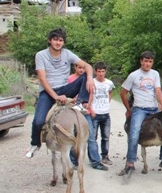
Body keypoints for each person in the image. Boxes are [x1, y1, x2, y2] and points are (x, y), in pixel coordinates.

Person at [26, 28, 95, 158]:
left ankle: (80, 103)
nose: (58, 42)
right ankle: (35, 144)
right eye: (55, 39)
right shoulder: (41, 55)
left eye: (61, 40)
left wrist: (90, 79)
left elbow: (88, 66)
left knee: (86, 74)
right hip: (47, 92)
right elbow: (42, 78)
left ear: (63, 42)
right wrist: (56, 96)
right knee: (38, 121)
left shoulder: (67, 54)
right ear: (49, 40)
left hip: (64, 88)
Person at [119, 51, 162, 176]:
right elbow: (123, 93)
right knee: (134, 133)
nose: (148, 63)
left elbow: (158, 90)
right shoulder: (134, 75)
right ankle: (130, 163)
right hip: (139, 108)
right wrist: (129, 109)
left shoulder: (155, 74)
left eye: (150, 61)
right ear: (141, 61)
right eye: (146, 61)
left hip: (153, 107)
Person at [67, 63, 109, 171]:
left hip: (85, 111)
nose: (81, 70)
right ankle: (73, 160)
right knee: (73, 136)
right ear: (75, 68)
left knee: (90, 136)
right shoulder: (70, 78)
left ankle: (95, 161)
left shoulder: (88, 79)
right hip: (72, 109)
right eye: (79, 67)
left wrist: (89, 104)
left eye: (83, 68)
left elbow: (91, 93)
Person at [89, 62, 115, 166]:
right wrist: (91, 109)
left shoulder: (109, 83)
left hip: (105, 113)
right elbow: (88, 96)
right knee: (93, 137)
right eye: (99, 71)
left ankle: (105, 156)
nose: (101, 73)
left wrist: (107, 103)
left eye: (103, 71)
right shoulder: (92, 82)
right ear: (95, 71)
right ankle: (93, 157)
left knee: (106, 137)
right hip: (95, 113)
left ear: (105, 72)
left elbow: (110, 93)